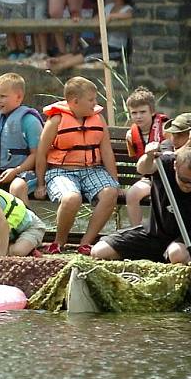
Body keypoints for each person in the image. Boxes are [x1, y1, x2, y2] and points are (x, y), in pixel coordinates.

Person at [90, 145, 191, 300]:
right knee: (99, 251)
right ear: (175, 166)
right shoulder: (163, 163)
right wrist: (149, 155)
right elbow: (142, 167)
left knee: (176, 254)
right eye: (184, 180)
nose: (188, 186)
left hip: (186, 240)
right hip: (154, 233)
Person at [34, 77, 119, 255]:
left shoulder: (98, 118)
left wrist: (115, 182)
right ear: (75, 101)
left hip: (92, 170)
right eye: (91, 100)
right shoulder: (56, 120)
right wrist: (41, 184)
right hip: (61, 171)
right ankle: (59, 242)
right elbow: (41, 153)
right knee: (72, 198)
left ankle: (85, 243)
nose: (95, 103)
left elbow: (107, 152)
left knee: (110, 192)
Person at [0, 73, 43, 205]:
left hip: (23, 173)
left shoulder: (29, 121)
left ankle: (24, 221)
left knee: (17, 186)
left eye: (3, 96)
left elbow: (36, 154)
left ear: (19, 97)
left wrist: (16, 171)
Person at [123, 87, 169, 225]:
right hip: (149, 178)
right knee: (132, 195)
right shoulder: (131, 135)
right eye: (134, 113)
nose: (138, 116)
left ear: (152, 111)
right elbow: (138, 162)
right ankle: (136, 232)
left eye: (143, 112)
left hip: (169, 176)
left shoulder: (166, 128)